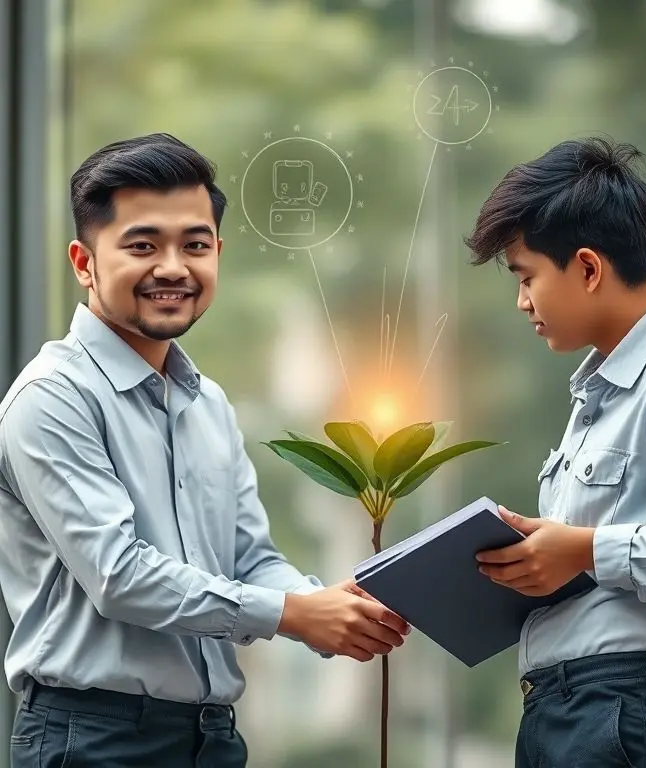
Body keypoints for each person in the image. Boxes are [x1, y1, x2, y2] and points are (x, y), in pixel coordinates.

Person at [0, 133, 409, 768]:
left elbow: (249, 558)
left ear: (218, 253)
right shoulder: (52, 398)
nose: (172, 267)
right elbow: (119, 577)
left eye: (194, 245)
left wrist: (332, 605)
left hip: (211, 737)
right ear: (84, 262)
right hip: (93, 737)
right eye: (142, 245)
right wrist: (296, 614)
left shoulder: (208, 403)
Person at [467, 137, 646, 767]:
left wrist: (577, 547)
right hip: (569, 711)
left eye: (526, 277)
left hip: (633, 712)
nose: (522, 302)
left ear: (588, 267)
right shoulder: (596, 399)